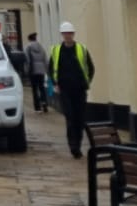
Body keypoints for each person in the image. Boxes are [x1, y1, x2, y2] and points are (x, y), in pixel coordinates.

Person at [49, 21, 95, 158]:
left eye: (69, 33)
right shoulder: (56, 50)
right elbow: (51, 69)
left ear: (73, 34)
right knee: (70, 118)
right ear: (62, 35)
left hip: (80, 89)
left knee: (79, 119)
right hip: (65, 89)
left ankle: (78, 144)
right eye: (65, 33)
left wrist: (87, 81)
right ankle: (73, 146)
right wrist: (54, 83)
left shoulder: (81, 49)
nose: (67, 36)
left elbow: (91, 68)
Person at [23, 32, 49, 113]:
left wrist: (26, 70)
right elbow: (45, 59)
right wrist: (46, 69)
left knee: (35, 89)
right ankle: (44, 103)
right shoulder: (41, 47)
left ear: (29, 39)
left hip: (33, 70)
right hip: (41, 70)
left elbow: (27, 60)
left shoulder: (28, 47)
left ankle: (37, 108)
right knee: (42, 87)